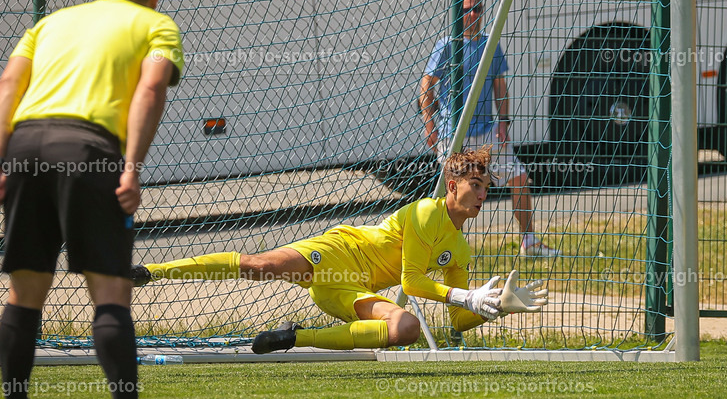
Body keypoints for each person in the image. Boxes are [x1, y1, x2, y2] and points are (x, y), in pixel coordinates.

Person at [0, 0, 184, 399]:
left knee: (25, 292)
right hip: (90, 150)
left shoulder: (50, 23)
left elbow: (9, 82)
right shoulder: (157, 25)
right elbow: (150, 89)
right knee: (111, 291)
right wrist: (131, 166)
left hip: (25, 147)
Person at [130, 148, 547, 352]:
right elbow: (412, 281)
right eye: (475, 186)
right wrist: (463, 294)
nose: (482, 195)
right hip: (337, 254)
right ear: (452, 186)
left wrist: (498, 305)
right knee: (260, 265)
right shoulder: (425, 212)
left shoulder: (460, 249)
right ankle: (152, 271)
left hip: (352, 291)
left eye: (486, 188)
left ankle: (293, 337)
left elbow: (456, 320)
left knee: (405, 330)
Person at [419, 0, 561, 258]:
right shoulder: (447, 45)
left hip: (487, 134)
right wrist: (430, 126)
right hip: (455, 135)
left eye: (478, 9)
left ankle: (529, 243)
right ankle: (440, 249)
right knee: (454, 195)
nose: (474, 15)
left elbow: (500, 88)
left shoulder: (490, 44)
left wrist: (504, 123)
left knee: (519, 177)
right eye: (467, 10)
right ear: (457, 15)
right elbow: (426, 87)